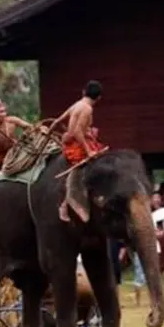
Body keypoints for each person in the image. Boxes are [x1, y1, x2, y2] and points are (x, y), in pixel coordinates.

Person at [48, 80, 106, 223]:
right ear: (99, 98)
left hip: (72, 142)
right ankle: (65, 205)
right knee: (97, 163)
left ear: (84, 92)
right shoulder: (87, 108)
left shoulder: (77, 104)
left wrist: (50, 132)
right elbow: (77, 132)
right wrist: (88, 151)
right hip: (76, 147)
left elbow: (58, 121)